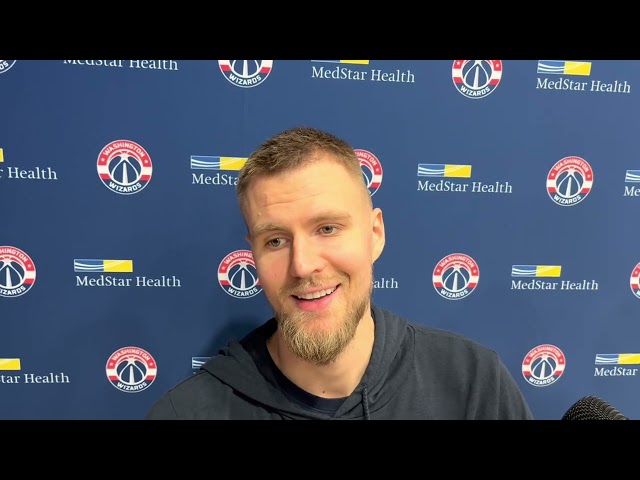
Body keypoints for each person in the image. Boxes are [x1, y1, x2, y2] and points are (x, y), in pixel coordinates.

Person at [145, 126, 534, 420]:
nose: (303, 265)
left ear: (375, 235)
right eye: (276, 241)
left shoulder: (472, 383)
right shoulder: (188, 412)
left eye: (327, 229)